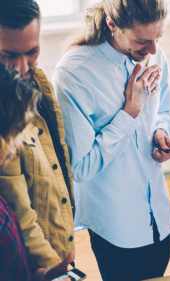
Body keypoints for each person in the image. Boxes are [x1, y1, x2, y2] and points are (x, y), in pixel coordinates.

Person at [52, 0, 170, 280]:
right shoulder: (74, 74)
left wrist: (160, 131)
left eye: (158, 38)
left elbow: (165, 109)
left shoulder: (152, 52)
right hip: (118, 228)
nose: (153, 51)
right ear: (112, 25)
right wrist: (129, 113)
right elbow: (81, 167)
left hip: (162, 218)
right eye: (142, 40)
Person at [0, 0, 75, 268]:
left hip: (59, 252)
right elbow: (18, 208)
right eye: (8, 55)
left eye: (32, 51)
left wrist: (66, 245)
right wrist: (53, 266)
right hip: (33, 262)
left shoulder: (42, 82)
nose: (22, 67)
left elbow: (59, 171)